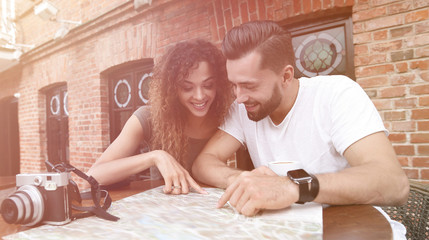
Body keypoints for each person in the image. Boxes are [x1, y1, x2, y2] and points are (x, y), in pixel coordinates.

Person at [192, 21, 409, 217]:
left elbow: (393, 183)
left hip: (347, 229)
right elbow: (204, 162)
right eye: (234, 85)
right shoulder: (242, 109)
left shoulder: (336, 94)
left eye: (249, 85)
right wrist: (238, 180)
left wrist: (292, 187)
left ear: (286, 76)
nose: (239, 98)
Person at [87, 39, 232, 195]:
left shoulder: (227, 117)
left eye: (208, 85)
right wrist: (155, 157)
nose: (199, 96)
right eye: (187, 87)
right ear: (172, 89)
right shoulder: (148, 118)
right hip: (164, 209)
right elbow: (94, 175)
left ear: (219, 83)